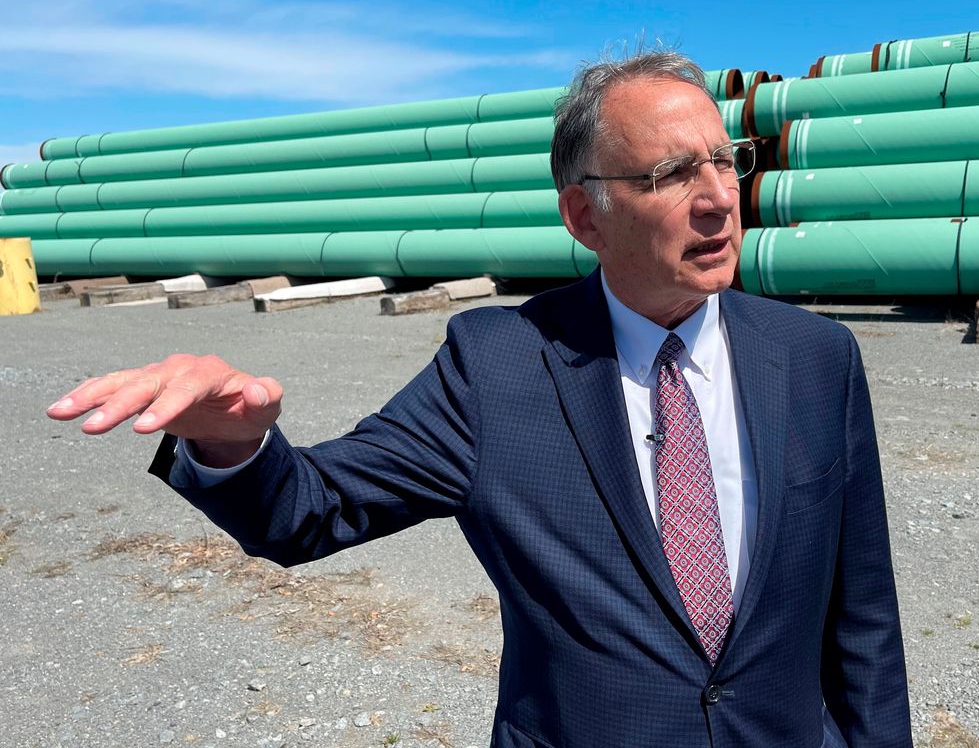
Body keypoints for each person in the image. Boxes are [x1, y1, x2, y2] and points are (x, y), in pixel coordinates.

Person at [47, 51, 912, 748]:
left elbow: (862, 614)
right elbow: (308, 513)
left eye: (726, 160)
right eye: (673, 173)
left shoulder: (815, 358)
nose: (721, 197)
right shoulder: (496, 366)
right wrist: (232, 445)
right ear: (586, 216)